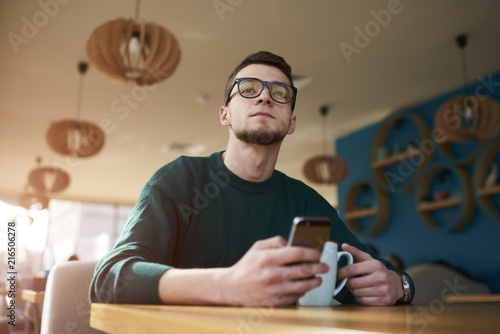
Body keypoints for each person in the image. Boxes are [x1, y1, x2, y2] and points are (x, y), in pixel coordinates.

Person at [89, 51, 414, 307]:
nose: (264, 97)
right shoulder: (180, 180)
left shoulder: (308, 203)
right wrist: (228, 285)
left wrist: (398, 286)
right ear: (225, 114)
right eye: (248, 89)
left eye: (280, 92)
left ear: (292, 123)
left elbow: (371, 278)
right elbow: (110, 279)